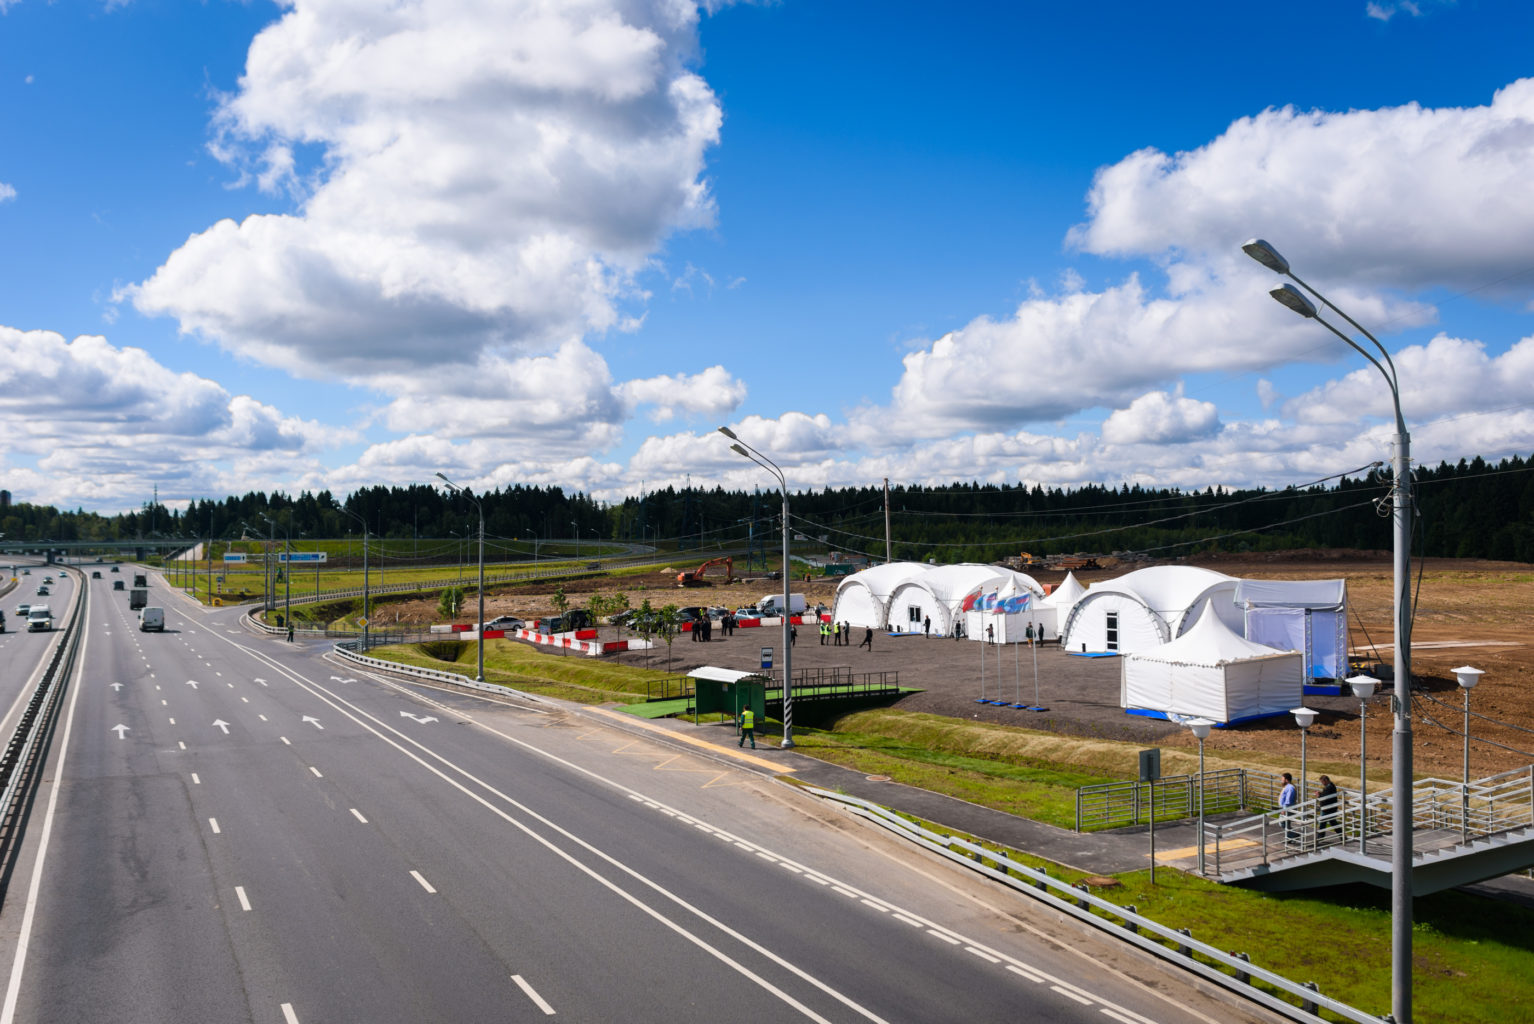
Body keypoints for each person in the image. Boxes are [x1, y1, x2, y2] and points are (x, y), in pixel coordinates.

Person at [1315, 775, 1340, 844]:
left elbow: (1326, 798)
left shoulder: (1330, 787)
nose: (1322, 783)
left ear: (1325, 780)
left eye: (1322, 782)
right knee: (1332, 822)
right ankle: (1342, 835)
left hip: (1328, 809)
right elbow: (1326, 796)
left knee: (1323, 822)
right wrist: (1320, 794)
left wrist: (1319, 795)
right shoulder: (1330, 786)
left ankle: (1320, 838)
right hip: (1328, 808)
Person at [1279, 772, 1298, 844]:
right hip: (1286, 808)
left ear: (1286, 780)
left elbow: (1288, 800)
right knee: (1287, 824)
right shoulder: (1288, 787)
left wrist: (1284, 809)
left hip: (1288, 809)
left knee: (1282, 823)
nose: (1281, 780)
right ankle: (1289, 838)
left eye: (1282, 779)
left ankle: (1293, 835)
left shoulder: (1290, 788)